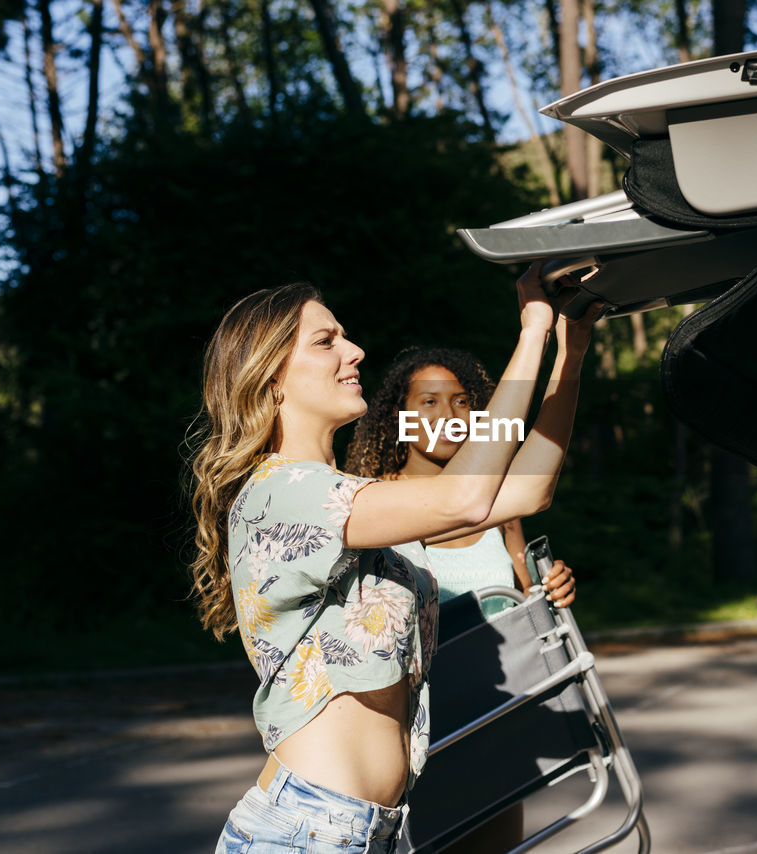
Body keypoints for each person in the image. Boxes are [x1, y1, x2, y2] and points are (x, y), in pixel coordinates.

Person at [187, 265, 597, 853]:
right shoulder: (286, 493)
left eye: (345, 336)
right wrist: (532, 330)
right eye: (326, 341)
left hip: (370, 829)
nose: (354, 351)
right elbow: (466, 496)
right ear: (271, 379)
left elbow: (528, 490)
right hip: (310, 831)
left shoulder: (350, 495)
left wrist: (570, 353)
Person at [344, 346, 578, 618]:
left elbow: (524, 595)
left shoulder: (491, 496)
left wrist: (551, 585)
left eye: (461, 402)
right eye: (430, 401)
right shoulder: (375, 496)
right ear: (399, 417)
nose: (449, 416)